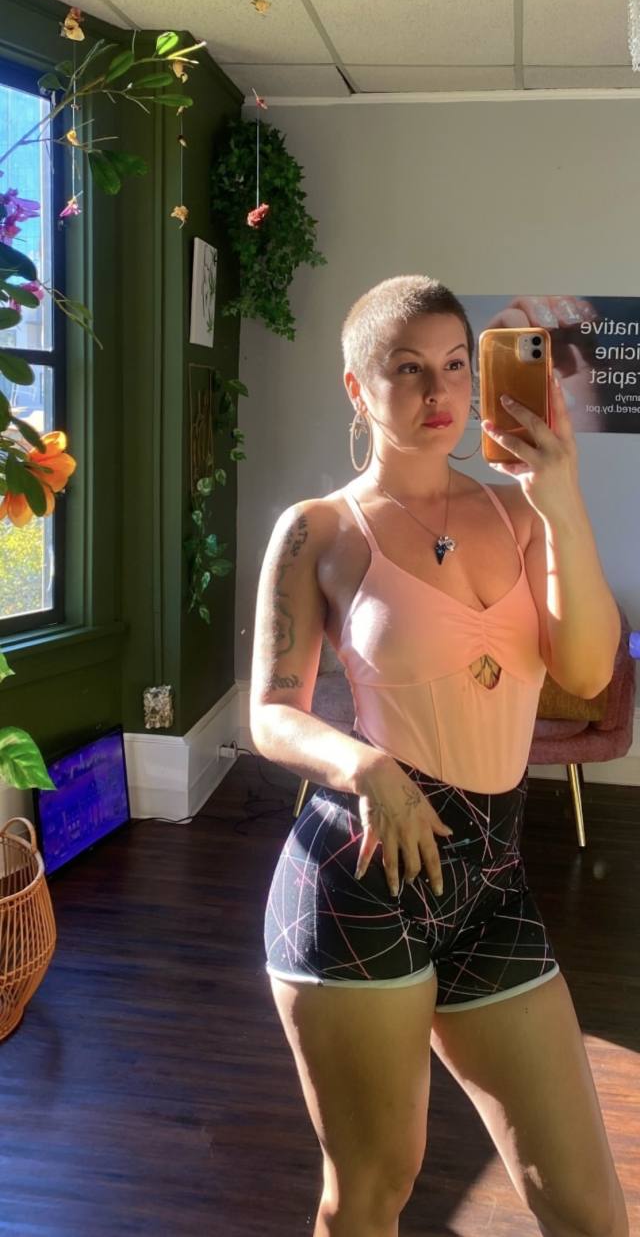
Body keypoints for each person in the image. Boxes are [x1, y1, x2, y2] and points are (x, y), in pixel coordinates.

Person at [249, 275, 628, 1237]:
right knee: (373, 1191)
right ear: (356, 386)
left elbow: (588, 668)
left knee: (591, 1209)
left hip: (493, 880)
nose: (439, 391)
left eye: (457, 364)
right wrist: (366, 767)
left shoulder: (521, 514)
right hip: (362, 880)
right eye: (408, 369)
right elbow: (271, 715)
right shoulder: (320, 528)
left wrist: (561, 497)